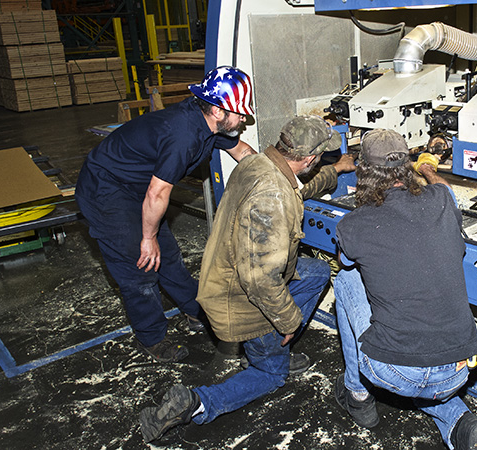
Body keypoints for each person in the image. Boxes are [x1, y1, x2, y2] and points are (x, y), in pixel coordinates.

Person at [139, 115, 347, 443]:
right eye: (321, 158)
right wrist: (289, 321)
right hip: (243, 299)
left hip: (227, 276)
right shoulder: (272, 197)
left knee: (317, 271)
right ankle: (197, 403)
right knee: (271, 374)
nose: (320, 162)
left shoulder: (259, 164)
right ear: (308, 158)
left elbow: (296, 187)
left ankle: (274, 348)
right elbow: (261, 279)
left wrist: (336, 171)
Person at [75, 66, 259, 363]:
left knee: (168, 256)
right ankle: (153, 338)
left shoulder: (211, 125)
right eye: (239, 113)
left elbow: (242, 151)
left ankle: (194, 310)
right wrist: (147, 237)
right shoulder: (183, 135)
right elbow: (158, 194)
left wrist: (273, 177)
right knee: (141, 266)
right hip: (106, 190)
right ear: (216, 110)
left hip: (139, 188)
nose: (244, 119)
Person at [332, 129, 477, 450]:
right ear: (406, 166)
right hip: (457, 372)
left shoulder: (353, 223)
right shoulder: (442, 202)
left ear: (363, 169)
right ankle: (461, 422)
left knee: (346, 279)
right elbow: (446, 190)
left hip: (394, 372)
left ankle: (358, 395)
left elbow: (345, 260)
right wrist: (428, 169)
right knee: (428, 380)